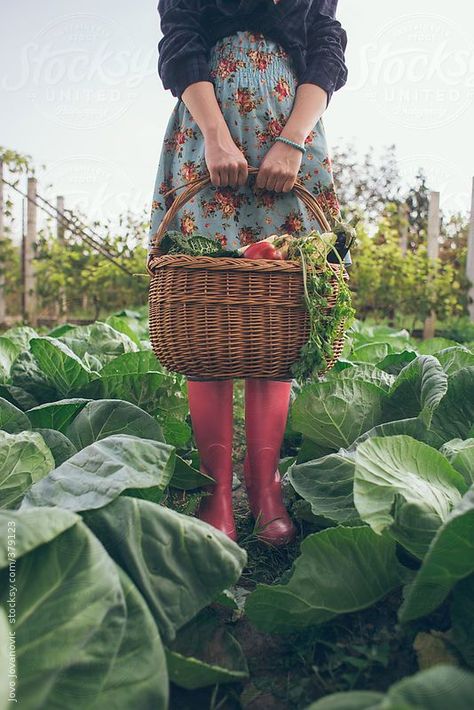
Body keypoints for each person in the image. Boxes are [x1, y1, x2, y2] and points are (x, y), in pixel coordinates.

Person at [148, 0, 349, 546]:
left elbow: (326, 46)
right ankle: (217, 491)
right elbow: (180, 38)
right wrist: (214, 134)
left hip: (290, 123)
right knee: (205, 308)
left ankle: (265, 487)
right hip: (208, 122)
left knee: (278, 309)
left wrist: (293, 140)